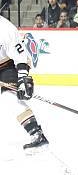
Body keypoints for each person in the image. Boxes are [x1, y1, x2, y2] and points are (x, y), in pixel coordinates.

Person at [0, 15, 48, 150]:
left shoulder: (5, 28)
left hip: (5, 66)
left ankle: (36, 133)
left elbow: (20, 57)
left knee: (10, 98)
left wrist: (22, 78)